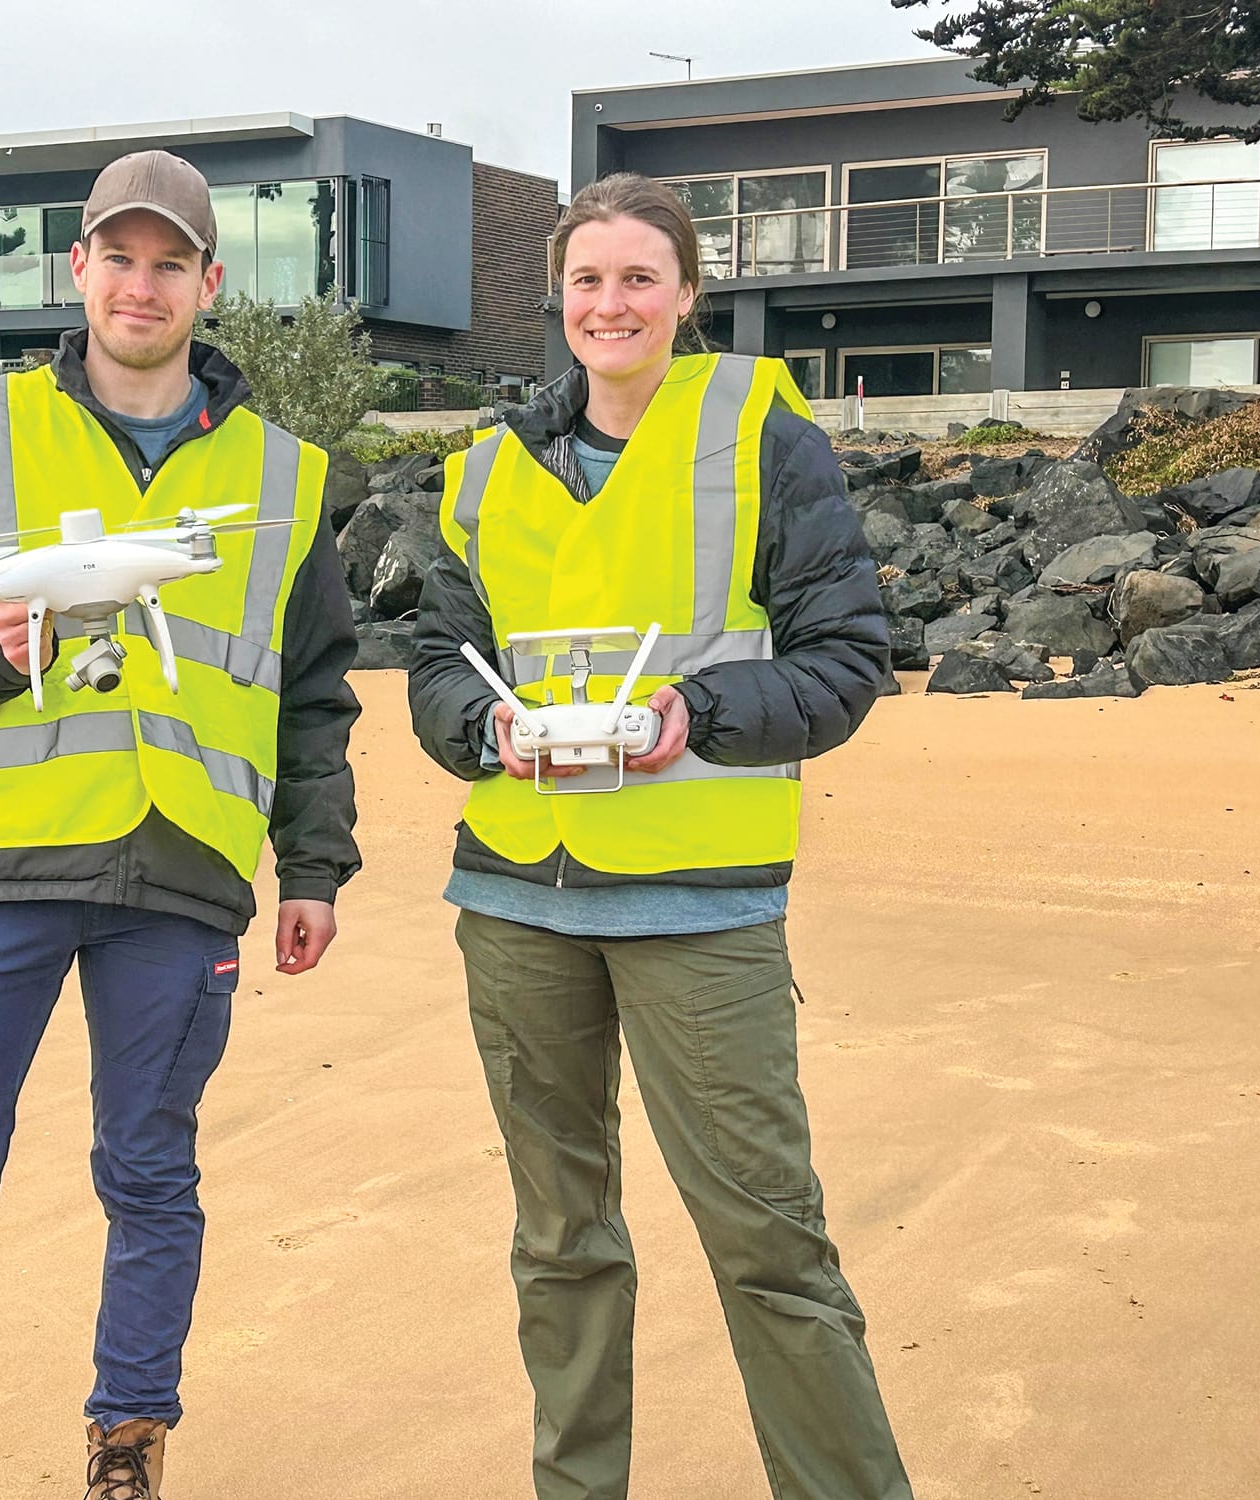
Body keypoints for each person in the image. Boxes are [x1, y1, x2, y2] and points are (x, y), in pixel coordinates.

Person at [0, 150, 361, 1500]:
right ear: (81, 270)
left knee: (150, 1179)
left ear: (209, 284)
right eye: (119, 256)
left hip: (184, 878)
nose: (141, 283)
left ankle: (128, 1448)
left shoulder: (288, 479)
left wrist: (318, 868)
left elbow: (313, 698)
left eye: (169, 261)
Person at [407, 172, 910, 1500]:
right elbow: (436, 668)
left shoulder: (760, 434)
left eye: (640, 278)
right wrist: (483, 728)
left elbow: (848, 663)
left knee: (769, 1248)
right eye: (587, 279)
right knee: (561, 1245)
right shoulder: (485, 473)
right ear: (555, 297)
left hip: (702, 909)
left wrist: (700, 711)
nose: (610, 303)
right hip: (516, 902)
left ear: (688, 295)